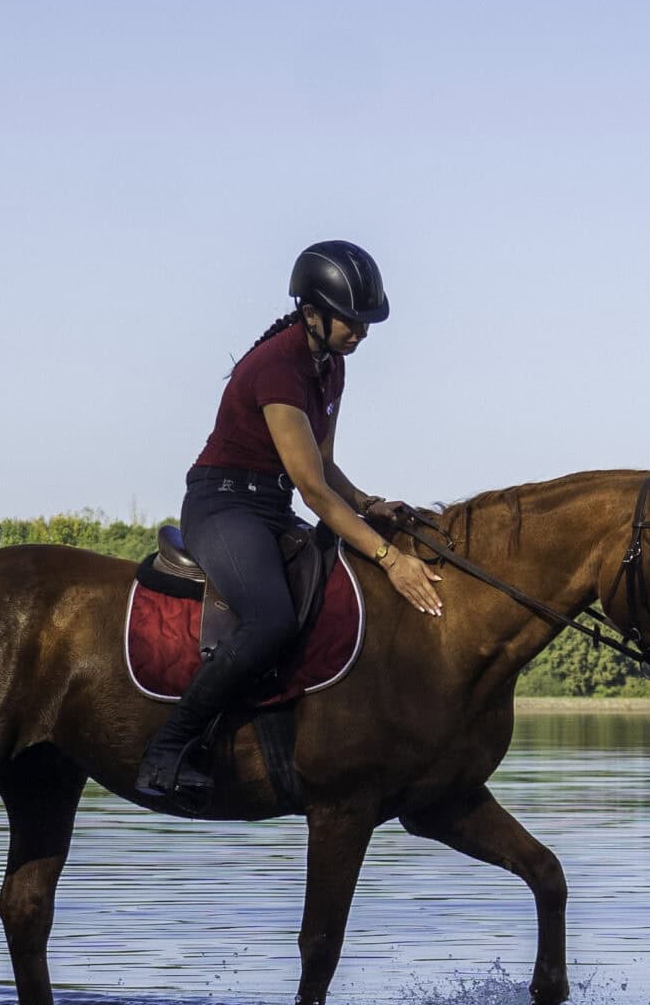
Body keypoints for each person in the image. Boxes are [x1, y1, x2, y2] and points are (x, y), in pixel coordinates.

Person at [134, 240, 447, 807]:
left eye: (367, 323)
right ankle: (168, 748)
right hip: (223, 506)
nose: (362, 333)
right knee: (272, 618)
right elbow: (314, 490)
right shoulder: (277, 367)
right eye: (352, 322)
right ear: (311, 314)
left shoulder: (331, 365)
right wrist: (391, 558)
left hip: (272, 508)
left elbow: (324, 465)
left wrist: (369, 502)